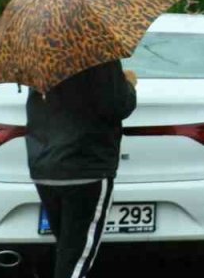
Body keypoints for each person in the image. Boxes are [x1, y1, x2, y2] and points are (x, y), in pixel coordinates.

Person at [26, 60, 138, 278]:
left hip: (45, 168)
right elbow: (117, 105)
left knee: (68, 252)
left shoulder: (41, 57)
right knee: (77, 259)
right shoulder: (100, 57)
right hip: (86, 168)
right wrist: (128, 84)